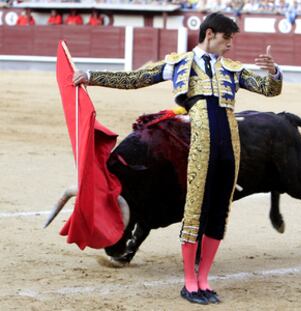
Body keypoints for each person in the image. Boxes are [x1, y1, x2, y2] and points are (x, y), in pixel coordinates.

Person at [73, 12, 282, 305]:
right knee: (195, 211)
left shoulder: (232, 69)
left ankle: (204, 280)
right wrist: (92, 77)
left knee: (219, 214)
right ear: (210, 34)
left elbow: (269, 90)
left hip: (229, 149)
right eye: (227, 38)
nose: (231, 45)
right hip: (200, 148)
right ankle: (189, 282)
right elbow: (135, 79)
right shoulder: (179, 64)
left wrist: (274, 73)